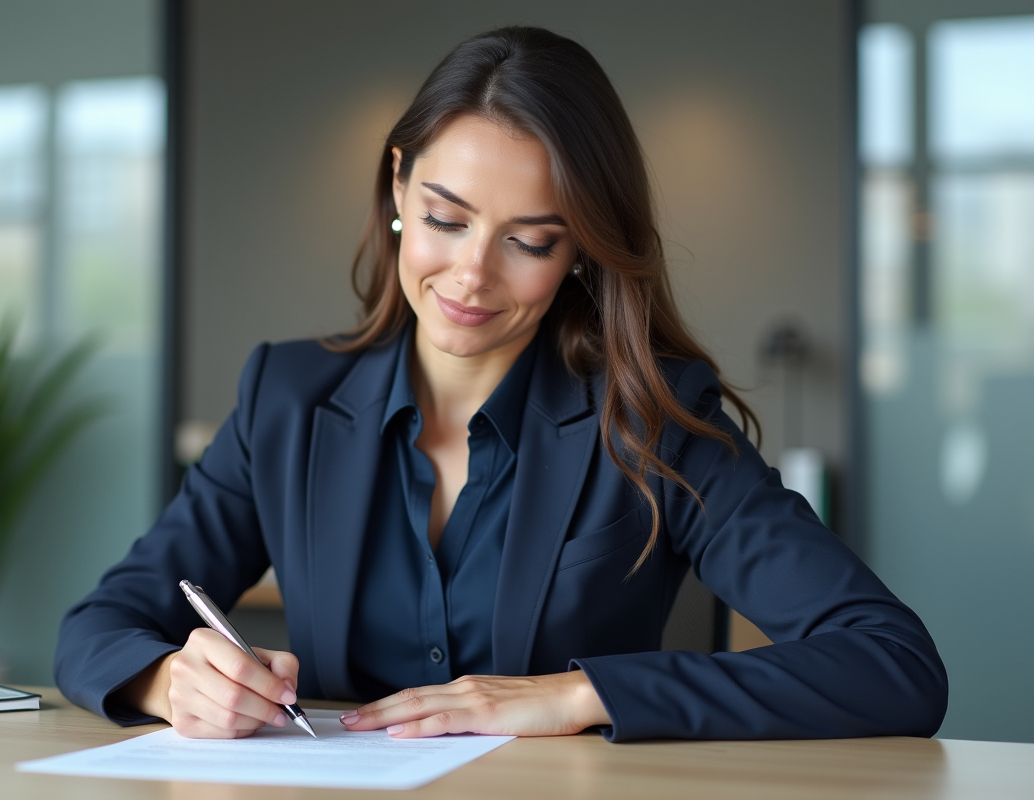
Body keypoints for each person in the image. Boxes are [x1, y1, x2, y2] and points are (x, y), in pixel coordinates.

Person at [54, 26, 947, 743]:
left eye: (529, 241)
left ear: (581, 252)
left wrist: (577, 696)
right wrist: (172, 681)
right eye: (446, 219)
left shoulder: (653, 419)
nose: (471, 276)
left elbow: (893, 663)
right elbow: (99, 626)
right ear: (398, 185)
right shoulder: (285, 399)